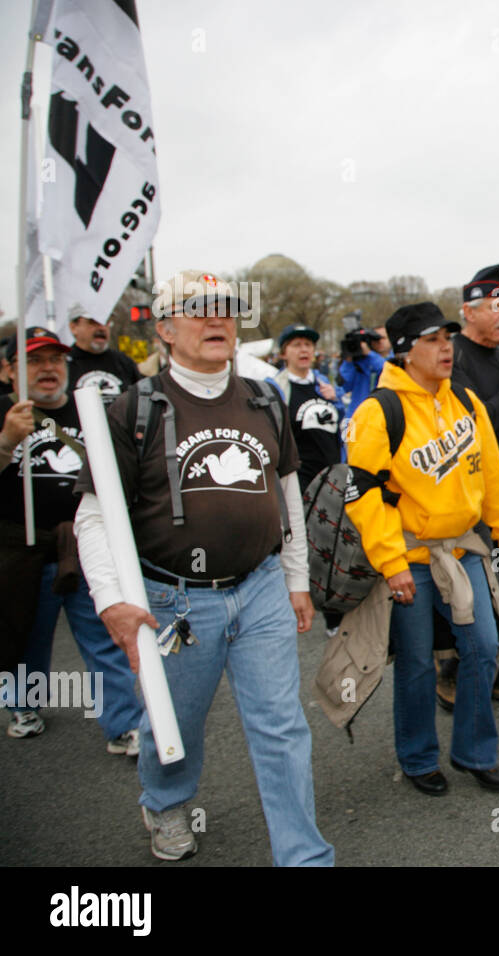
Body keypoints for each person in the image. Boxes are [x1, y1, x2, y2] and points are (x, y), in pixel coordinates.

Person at [73, 270, 333, 865]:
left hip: (262, 588)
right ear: (165, 329)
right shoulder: (132, 410)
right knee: (178, 726)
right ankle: (165, 804)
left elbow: (287, 493)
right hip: (174, 602)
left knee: (281, 729)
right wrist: (113, 601)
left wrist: (296, 578)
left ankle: (304, 856)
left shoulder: (265, 399)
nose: (217, 319)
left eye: (227, 309)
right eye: (199, 309)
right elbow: (94, 519)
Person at [345, 302, 499, 795]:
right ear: (404, 352)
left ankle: (474, 752)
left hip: (463, 550)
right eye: (432, 340)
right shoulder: (378, 412)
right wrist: (390, 562)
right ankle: (419, 758)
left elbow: (491, 472)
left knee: (484, 647)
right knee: (419, 663)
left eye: (447, 337)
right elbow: (364, 496)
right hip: (409, 559)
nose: (446, 347)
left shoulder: (465, 399)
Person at [1, 327, 143, 749]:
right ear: (10, 372)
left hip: (85, 548)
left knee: (105, 635)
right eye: (35, 361)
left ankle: (123, 724)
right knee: (26, 632)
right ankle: (23, 702)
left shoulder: (90, 414)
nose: (48, 369)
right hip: (24, 551)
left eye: (55, 360)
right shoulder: (3, 412)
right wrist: (7, 440)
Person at [437, 264, 499, 708]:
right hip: (472, 484)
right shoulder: (454, 357)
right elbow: (479, 421)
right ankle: (454, 674)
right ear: (468, 312)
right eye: (496, 306)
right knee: (474, 582)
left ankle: (498, 673)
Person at [270, 324, 344, 488]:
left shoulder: (324, 384)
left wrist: (336, 401)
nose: (304, 350)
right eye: (296, 345)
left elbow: (343, 427)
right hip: (297, 480)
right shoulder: (275, 388)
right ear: (283, 353)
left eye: (308, 345)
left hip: (332, 480)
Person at [65, 303, 141, 404]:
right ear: (74, 327)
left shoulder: (124, 362)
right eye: (93, 322)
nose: (101, 327)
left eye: (106, 321)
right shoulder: (64, 364)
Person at [338, 312, 386, 422]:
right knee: (350, 439)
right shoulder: (358, 361)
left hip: (378, 418)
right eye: (376, 340)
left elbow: (386, 371)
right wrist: (348, 361)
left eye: (383, 338)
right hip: (354, 417)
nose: (379, 343)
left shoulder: (391, 361)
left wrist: (369, 354)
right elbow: (344, 387)